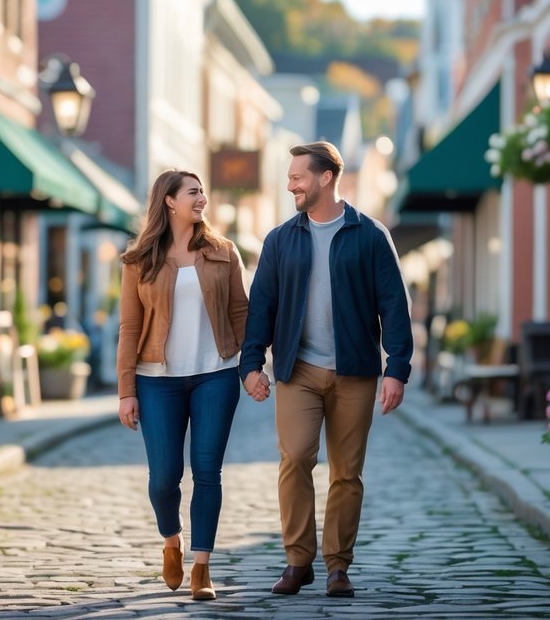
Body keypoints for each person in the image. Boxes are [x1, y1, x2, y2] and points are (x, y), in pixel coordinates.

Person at [240, 141, 413, 598]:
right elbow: (262, 306)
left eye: (298, 176)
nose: (290, 184)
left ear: (325, 178)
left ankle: (338, 565)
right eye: (290, 176)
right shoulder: (280, 239)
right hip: (298, 370)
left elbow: (394, 306)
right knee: (295, 458)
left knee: (346, 471)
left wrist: (396, 369)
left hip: (355, 372)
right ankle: (299, 560)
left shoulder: (370, 235)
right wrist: (251, 363)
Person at [117, 169, 249, 601]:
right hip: (156, 381)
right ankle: (171, 541)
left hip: (216, 374)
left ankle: (202, 566)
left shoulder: (223, 253)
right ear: (169, 202)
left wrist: (252, 365)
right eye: (193, 192)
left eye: (202, 191)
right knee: (164, 478)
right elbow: (129, 329)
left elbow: (240, 314)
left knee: (208, 473)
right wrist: (126, 391)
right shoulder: (139, 261)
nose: (202, 198)